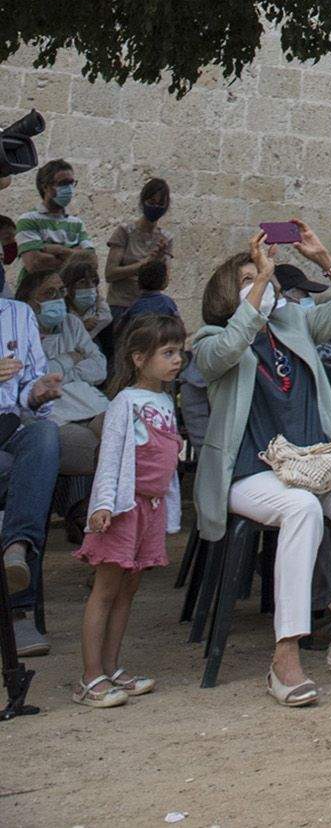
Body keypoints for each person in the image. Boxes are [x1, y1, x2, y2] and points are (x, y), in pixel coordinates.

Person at [193, 226, 331, 706]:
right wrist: (261, 285)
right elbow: (225, 352)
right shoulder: (209, 338)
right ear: (228, 291)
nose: (262, 282)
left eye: (264, 276)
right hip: (249, 472)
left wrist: (325, 258)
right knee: (301, 508)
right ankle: (286, 655)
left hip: (311, 463)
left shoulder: (293, 325)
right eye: (247, 277)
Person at [73, 312, 186, 708]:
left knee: (129, 590)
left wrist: (168, 513)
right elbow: (111, 457)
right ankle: (90, 677)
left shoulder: (165, 401)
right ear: (139, 358)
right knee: (105, 590)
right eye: (168, 352)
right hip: (122, 509)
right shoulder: (125, 402)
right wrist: (103, 504)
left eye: (179, 352)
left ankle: (112, 667)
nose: (177, 360)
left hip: (150, 511)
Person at [0, 270, 63, 651]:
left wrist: (37, 393)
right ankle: (18, 613)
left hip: (8, 426)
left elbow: (27, 390)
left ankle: (16, 550)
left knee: (44, 435)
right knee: (17, 474)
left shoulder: (20, 314)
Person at [20, 264, 108, 475]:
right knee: (95, 451)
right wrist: (70, 358)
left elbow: (99, 368)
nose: (58, 297)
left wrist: (58, 372)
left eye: (61, 291)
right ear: (29, 301)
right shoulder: (19, 331)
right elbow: (31, 379)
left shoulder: (72, 323)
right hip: (54, 415)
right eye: (49, 293)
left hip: (90, 403)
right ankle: (79, 505)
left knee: (125, 432)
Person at [105, 179, 173, 314]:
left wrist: (160, 262)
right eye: (152, 202)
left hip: (148, 307)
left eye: (160, 204)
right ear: (143, 202)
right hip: (121, 305)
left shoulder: (166, 238)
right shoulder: (125, 232)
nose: (155, 207)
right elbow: (110, 274)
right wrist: (144, 264)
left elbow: (164, 283)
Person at [14, 158, 93, 265]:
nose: (69, 189)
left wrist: (57, 250)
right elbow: (34, 263)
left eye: (71, 183)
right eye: (63, 183)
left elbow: (92, 261)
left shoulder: (77, 223)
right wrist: (77, 253)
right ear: (46, 187)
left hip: (70, 282)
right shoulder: (28, 220)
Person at [120, 256, 180, 330]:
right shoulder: (168, 303)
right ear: (163, 281)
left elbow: (121, 328)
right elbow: (178, 325)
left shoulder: (135, 306)